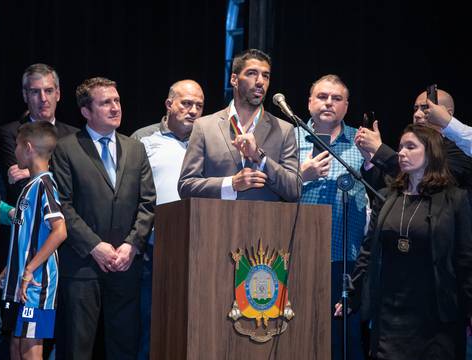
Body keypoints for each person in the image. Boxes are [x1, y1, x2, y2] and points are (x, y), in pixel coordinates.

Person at [337, 124, 472, 359]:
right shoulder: (388, 196)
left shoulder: (454, 199)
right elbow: (369, 250)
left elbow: (465, 258)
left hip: (436, 315)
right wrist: (354, 293)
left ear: (431, 153)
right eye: (400, 147)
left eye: (411, 147)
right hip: (390, 313)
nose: (401, 152)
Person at [51, 77, 156, 360]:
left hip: (125, 264)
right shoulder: (66, 148)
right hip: (82, 264)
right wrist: (95, 246)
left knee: (124, 345)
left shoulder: (135, 148)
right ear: (86, 111)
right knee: (76, 347)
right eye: (105, 102)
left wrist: (132, 245)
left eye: (117, 100)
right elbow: (63, 204)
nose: (115, 107)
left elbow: (147, 203)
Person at [295, 74, 368, 360]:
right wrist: (303, 174)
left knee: (343, 341)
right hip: (297, 255)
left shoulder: (361, 142)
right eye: (322, 96)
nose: (329, 103)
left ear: (346, 106)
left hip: (345, 258)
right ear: (310, 102)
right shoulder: (289, 138)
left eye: (336, 98)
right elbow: (274, 188)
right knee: (299, 335)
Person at [133, 79, 204, 360]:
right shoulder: (143, 138)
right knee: (152, 325)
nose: (193, 110)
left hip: (199, 248)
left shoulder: (210, 139)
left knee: (193, 325)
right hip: (154, 249)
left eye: (199, 105)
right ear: (169, 104)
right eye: (186, 103)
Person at [178, 49, 301, 202]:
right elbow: (186, 186)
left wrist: (260, 158)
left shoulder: (284, 129)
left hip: (267, 223)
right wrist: (231, 184)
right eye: (251, 73)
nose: (260, 81)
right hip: (215, 223)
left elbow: (294, 190)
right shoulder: (205, 126)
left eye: (265, 76)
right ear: (234, 80)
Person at [0, 121, 67, 360]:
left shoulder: (45, 185)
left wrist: (29, 269)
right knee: (16, 346)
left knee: (29, 348)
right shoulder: (30, 186)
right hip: (19, 283)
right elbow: (26, 235)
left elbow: (59, 231)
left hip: (36, 285)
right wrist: (12, 266)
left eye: (16, 145)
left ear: (27, 147)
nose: (13, 150)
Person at [355, 89, 472, 196]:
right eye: (416, 109)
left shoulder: (460, 147)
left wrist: (379, 150)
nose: (417, 114)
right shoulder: (407, 143)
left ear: (448, 114)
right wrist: (370, 159)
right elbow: (386, 188)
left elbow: (431, 178)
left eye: (426, 108)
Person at [0, 63, 77, 204]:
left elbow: (81, 184)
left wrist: (35, 172)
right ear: (25, 95)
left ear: (58, 94)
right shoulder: (10, 133)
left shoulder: (74, 135)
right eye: (35, 92)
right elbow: (20, 185)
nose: (43, 98)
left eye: (49, 91)